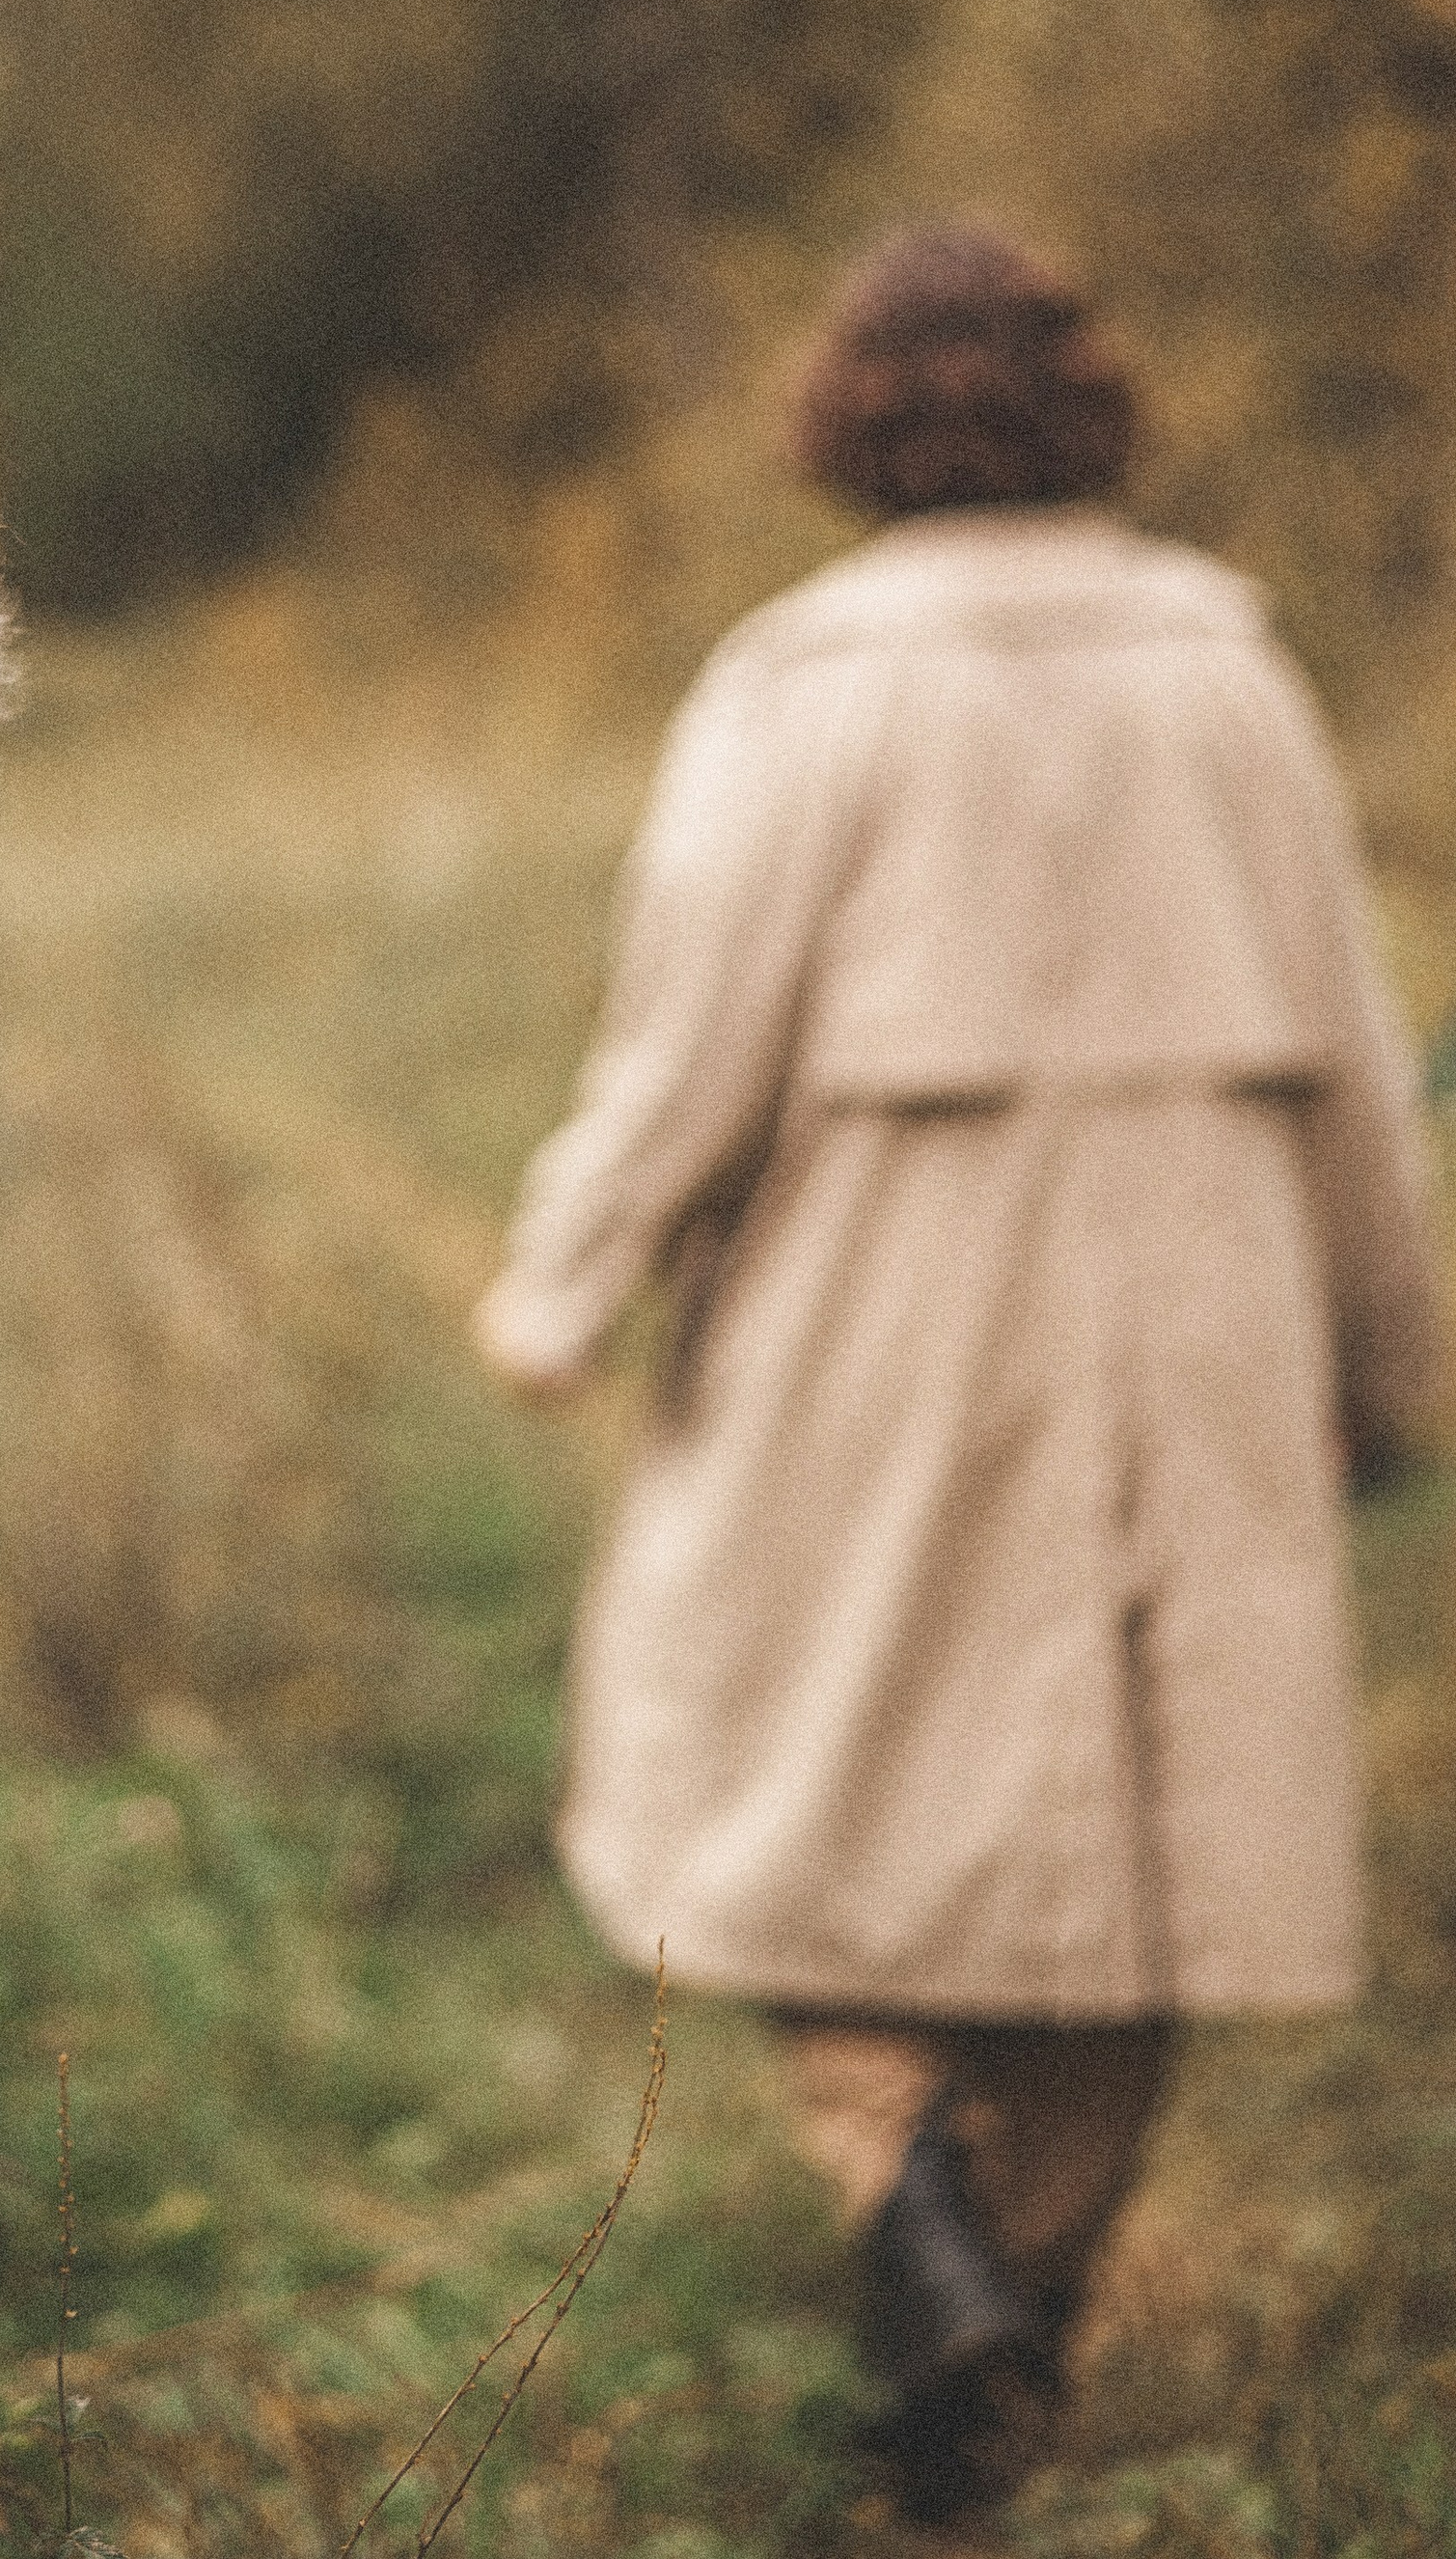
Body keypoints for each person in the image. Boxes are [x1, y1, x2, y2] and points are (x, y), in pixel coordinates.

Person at [475, 223, 1442, 2525]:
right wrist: (1391, 1355)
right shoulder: (1228, 668)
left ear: (848, 420)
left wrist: (560, 1279)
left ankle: (907, 2203)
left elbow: (683, 1049)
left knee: (817, 1794)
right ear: (1084, 400)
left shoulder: (796, 686)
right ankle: (1008, 2310)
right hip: (1187, 1306)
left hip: (868, 1314)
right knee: (1149, 1822)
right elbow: (1350, 1067)